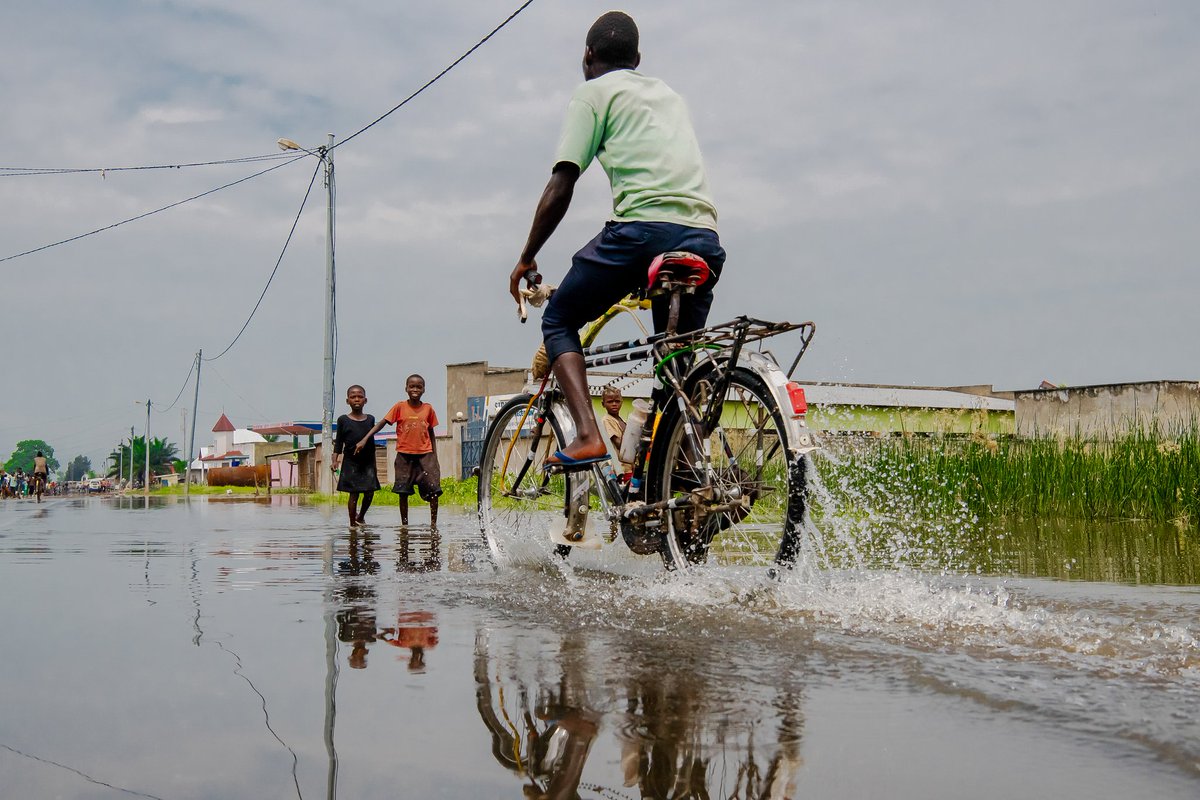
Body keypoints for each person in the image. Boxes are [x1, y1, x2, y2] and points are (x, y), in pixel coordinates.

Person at [509, 10, 725, 471]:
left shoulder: (592, 93)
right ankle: (682, 476)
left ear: (587, 56)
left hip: (642, 234)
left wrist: (526, 257)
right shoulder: (670, 96)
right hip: (704, 238)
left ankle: (588, 434)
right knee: (676, 363)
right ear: (637, 59)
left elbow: (562, 183)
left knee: (561, 318)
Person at [356, 374, 442, 528]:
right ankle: (405, 525)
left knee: (434, 490)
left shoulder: (428, 409)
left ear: (423, 390)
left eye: (418, 387)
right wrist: (365, 438)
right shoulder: (399, 407)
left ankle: (433, 525)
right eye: (412, 386)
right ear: (406, 389)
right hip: (404, 456)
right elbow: (382, 423)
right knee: (403, 492)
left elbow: (431, 433)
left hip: (425, 456)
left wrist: (435, 458)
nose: (415, 389)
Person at [331, 385, 382, 526]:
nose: (357, 399)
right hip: (350, 462)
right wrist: (335, 460)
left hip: (368, 462)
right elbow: (339, 442)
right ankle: (352, 524)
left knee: (370, 492)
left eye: (360, 396)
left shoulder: (370, 419)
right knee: (354, 494)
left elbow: (371, 442)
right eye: (353, 397)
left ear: (365, 400)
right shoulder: (343, 420)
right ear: (347, 401)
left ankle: (361, 517)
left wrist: (374, 464)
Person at [600, 385, 633, 475]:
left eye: (617, 401)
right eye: (610, 402)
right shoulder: (607, 420)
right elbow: (619, 444)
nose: (614, 404)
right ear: (603, 404)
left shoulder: (622, 420)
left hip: (628, 466)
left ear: (622, 402)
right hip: (620, 469)